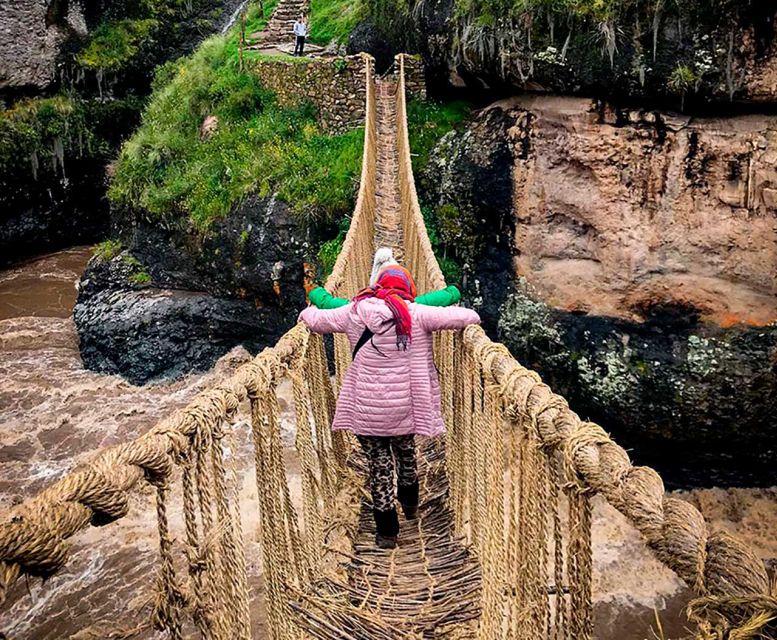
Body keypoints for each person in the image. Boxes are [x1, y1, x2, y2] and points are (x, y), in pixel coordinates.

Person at [298, 262, 480, 549]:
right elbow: (469, 317)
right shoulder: (418, 314)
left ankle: (387, 533)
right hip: (403, 409)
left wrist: (308, 307)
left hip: (366, 412)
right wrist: (449, 296)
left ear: (378, 286)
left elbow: (317, 320)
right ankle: (409, 504)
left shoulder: (354, 311)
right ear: (407, 289)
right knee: (406, 455)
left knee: (378, 468)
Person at [308, 247, 462, 309]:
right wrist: (454, 291)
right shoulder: (414, 308)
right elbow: (437, 299)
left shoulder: (358, 309)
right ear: (408, 287)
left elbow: (329, 303)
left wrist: (314, 291)